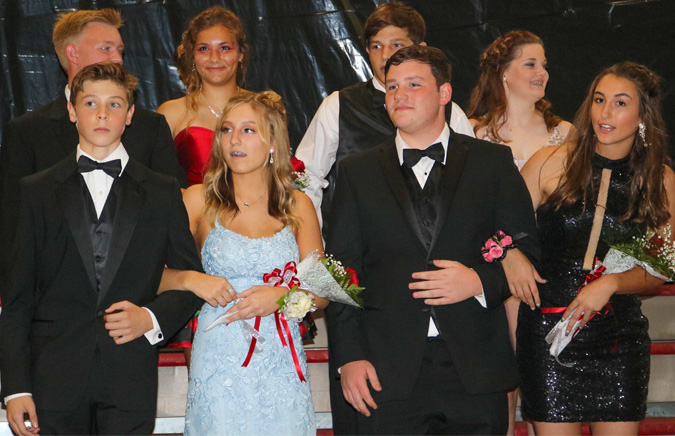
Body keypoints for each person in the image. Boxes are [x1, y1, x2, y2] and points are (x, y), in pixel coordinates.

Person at [325, 45, 539, 435]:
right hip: (385, 371)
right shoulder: (355, 172)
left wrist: (477, 281)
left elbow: (528, 250)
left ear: (444, 93)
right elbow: (339, 272)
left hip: (476, 368)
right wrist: (349, 358)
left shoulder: (492, 162)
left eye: (413, 84)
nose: (399, 95)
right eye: (392, 86)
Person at [0, 62, 203, 436]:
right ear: (71, 111)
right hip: (52, 379)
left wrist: (150, 318)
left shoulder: (162, 192)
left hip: (130, 378)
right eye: (91, 103)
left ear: (130, 114)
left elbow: (190, 280)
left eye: (114, 104)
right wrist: (15, 387)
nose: (102, 114)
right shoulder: (36, 192)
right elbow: (17, 297)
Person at [514, 61, 675, 435]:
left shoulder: (660, 180)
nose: (605, 112)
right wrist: (509, 255)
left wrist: (612, 283)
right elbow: (496, 229)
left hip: (619, 341)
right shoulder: (548, 163)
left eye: (620, 103)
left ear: (642, 115)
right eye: (599, 100)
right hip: (547, 334)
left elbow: (659, 271)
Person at [160, 91, 327, 435]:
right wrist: (193, 280)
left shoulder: (297, 204)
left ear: (273, 141)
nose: (234, 140)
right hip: (218, 358)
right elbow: (150, 274)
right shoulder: (198, 200)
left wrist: (282, 297)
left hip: (281, 360)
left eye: (248, 130)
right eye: (226, 130)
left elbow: (322, 292)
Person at [0, 9, 186, 303]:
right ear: (72, 53)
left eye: (120, 50)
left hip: (137, 304)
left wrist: (152, 315)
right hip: (52, 312)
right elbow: (12, 232)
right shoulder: (27, 133)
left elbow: (174, 219)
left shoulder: (150, 127)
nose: (117, 58)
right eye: (106, 48)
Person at [466, 29, 572, 435]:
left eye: (544, 64)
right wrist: (504, 253)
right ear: (503, 73)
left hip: (555, 271)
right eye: (530, 63)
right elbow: (467, 211)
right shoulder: (473, 133)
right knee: (506, 380)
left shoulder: (567, 135)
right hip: (495, 269)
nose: (542, 72)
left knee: (548, 384)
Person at [295, 2, 475, 229]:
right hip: (358, 243)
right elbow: (305, 179)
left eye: (396, 45)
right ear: (367, 50)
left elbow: (473, 179)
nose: (386, 55)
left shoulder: (447, 109)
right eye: (376, 46)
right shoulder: (338, 106)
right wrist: (314, 243)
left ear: (421, 49)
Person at [157, 6, 248, 186]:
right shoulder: (171, 113)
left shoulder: (264, 108)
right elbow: (158, 185)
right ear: (193, 56)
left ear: (240, 55)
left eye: (224, 48)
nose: (214, 58)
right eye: (204, 49)